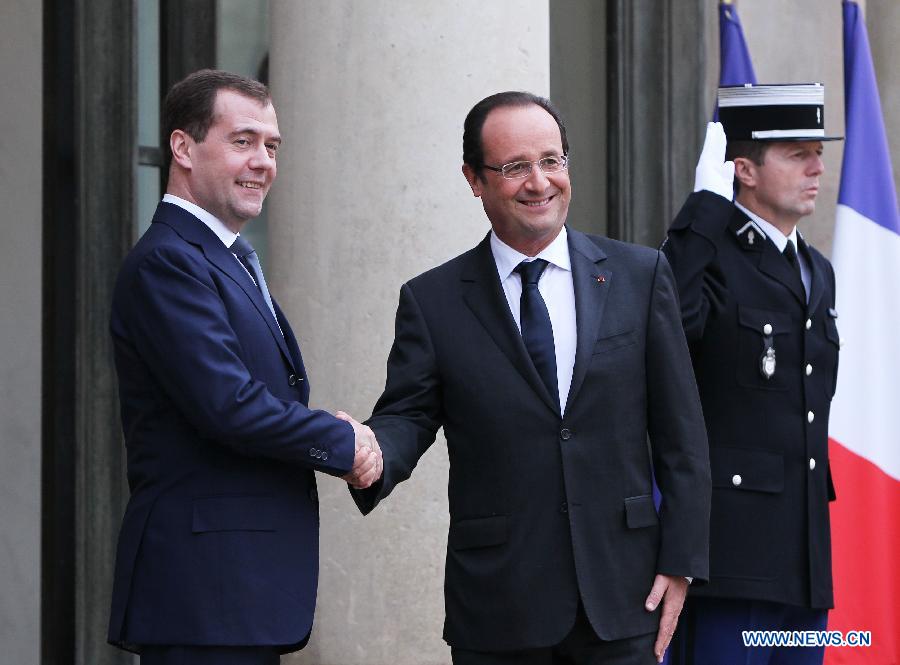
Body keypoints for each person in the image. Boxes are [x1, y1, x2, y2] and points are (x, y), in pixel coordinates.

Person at [348, 91, 711, 665]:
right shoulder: (433, 300)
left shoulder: (640, 277)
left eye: (552, 160)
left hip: (623, 595)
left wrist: (682, 560)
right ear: (474, 179)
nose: (540, 182)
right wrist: (369, 450)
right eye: (515, 166)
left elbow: (682, 433)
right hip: (499, 605)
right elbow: (408, 415)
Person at [106, 69, 381, 665]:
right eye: (243, 141)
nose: (263, 162)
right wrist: (341, 441)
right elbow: (228, 404)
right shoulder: (169, 263)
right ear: (183, 147)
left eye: (272, 146)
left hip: (235, 595)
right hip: (204, 593)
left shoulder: (222, 259)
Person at [662, 83, 842, 665]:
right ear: (743, 169)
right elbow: (664, 331)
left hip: (804, 562)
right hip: (731, 562)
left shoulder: (815, 270)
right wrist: (702, 216)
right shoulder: (710, 256)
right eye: (796, 153)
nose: (817, 166)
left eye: (817, 150)